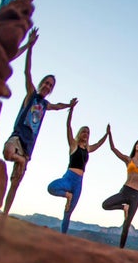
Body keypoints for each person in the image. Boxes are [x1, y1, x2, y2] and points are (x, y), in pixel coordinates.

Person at [2, 28, 77, 215]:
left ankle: (3, 215)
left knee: (15, 183)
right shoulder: (32, 95)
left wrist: (69, 105)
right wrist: (30, 46)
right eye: (46, 82)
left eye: (50, 85)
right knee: (7, 152)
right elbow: (27, 71)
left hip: (28, 146)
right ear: (41, 83)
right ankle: (18, 159)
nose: (47, 86)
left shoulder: (45, 104)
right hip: (18, 137)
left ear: (51, 89)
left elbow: (57, 106)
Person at [46, 100, 108, 234]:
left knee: (68, 212)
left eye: (88, 132)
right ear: (80, 133)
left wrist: (107, 134)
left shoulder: (88, 149)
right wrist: (71, 110)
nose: (86, 134)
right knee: (51, 188)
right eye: (84, 131)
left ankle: (62, 237)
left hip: (78, 182)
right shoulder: (73, 145)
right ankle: (66, 195)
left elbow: (98, 144)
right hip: (69, 178)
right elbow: (68, 127)